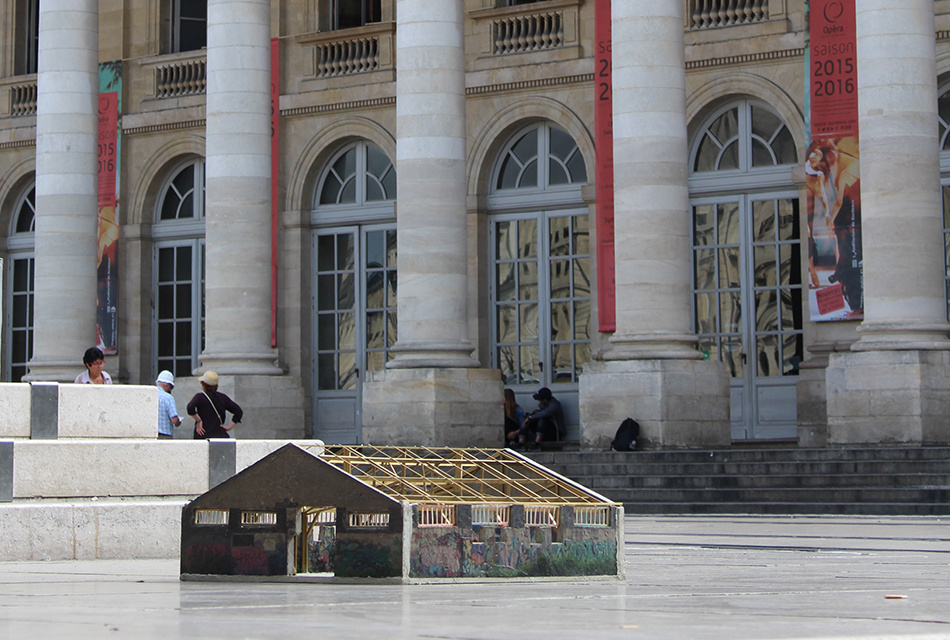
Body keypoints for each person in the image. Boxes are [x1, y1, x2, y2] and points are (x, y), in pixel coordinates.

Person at [187, 371, 243, 439]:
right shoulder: (222, 397)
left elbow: (190, 408)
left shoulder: (200, 397)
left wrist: (199, 420)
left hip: (202, 435)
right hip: (220, 436)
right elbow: (238, 411)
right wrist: (228, 427)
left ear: (203, 384)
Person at [513, 387, 565, 451]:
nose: (539, 402)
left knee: (542, 418)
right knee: (528, 417)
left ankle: (537, 443)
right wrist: (529, 418)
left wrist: (531, 417)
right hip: (545, 431)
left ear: (545, 400)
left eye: (540, 400)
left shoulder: (555, 405)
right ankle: (521, 442)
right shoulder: (543, 404)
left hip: (555, 432)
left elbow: (544, 413)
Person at [155, 370, 181, 439]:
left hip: (151, 436)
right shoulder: (168, 398)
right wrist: (178, 422)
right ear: (167, 384)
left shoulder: (150, 395)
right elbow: (174, 420)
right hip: (165, 435)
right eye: (170, 387)